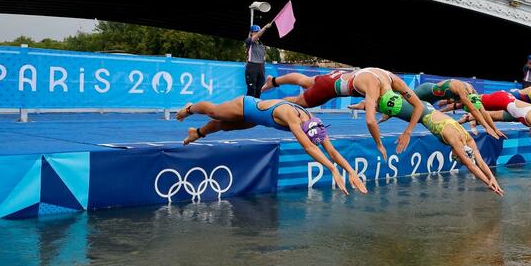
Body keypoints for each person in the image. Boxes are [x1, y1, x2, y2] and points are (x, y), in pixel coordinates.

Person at [175, 96, 367, 195]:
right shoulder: (291, 116)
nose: (308, 139)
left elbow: (330, 150)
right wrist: (332, 170)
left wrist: (350, 171)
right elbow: (309, 148)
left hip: (255, 119)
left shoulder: (314, 122)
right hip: (245, 105)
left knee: (224, 127)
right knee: (215, 113)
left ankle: (196, 133)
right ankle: (189, 108)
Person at [354, 93, 504, 196]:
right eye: (456, 158)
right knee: (390, 105)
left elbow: (480, 162)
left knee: (392, 105)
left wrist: (492, 178)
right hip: (422, 112)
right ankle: (364, 102)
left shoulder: (468, 139)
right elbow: (472, 166)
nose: (453, 157)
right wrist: (488, 183)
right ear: (460, 153)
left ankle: (370, 104)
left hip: (428, 109)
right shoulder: (455, 140)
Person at [260, 67, 426, 159]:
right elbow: (370, 121)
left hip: (336, 76)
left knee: (306, 81)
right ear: (380, 99)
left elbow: (418, 106)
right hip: (328, 89)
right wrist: (379, 144)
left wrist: (408, 131)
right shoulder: (373, 89)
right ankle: (264, 105)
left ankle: (273, 81)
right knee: (297, 102)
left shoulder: (393, 80)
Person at [245, 22, 271, 98]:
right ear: (251, 33)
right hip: (252, 66)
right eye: (255, 32)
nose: (257, 33)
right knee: (251, 89)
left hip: (261, 67)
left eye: (258, 31)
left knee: (259, 90)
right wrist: (265, 27)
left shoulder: (262, 44)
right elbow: (256, 36)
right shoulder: (249, 41)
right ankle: (248, 107)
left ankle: (256, 107)